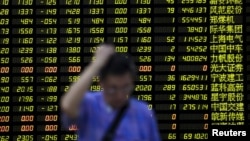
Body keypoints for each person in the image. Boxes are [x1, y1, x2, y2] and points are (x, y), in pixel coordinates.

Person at [60, 43, 161, 141]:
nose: (120, 95)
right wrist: (97, 63)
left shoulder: (143, 112)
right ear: (101, 83)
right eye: (112, 89)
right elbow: (67, 105)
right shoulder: (90, 105)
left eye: (125, 88)